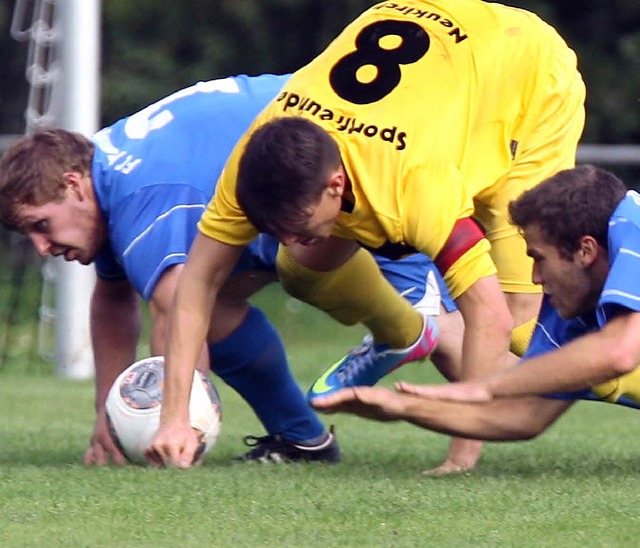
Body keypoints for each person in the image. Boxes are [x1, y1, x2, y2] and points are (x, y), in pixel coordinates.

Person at [148, 0, 585, 470]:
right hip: (440, 47)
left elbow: (490, 316)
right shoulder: (253, 163)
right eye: (274, 229)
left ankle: (625, 349)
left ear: (336, 185)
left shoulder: (413, 187)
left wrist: (461, 458)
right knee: (302, 266)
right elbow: (196, 285)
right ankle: (403, 333)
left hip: (527, 75)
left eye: (295, 225)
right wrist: (174, 416)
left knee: (523, 329)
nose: (287, 237)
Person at [0, 75, 456, 466]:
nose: (41, 247)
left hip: (368, 162)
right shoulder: (105, 177)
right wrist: (107, 416)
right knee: (212, 303)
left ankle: (516, 407)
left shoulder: (139, 200)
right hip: (304, 176)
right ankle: (302, 440)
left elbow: (177, 311)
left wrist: (176, 431)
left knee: (447, 335)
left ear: (72, 185)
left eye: (41, 226)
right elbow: (114, 297)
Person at [312, 165, 640, 449]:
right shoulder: (573, 305)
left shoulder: (632, 227)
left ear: (585, 250)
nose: (535, 277)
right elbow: (524, 417)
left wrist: (484, 387)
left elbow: (619, 352)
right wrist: (402, 407)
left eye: (539, 259)